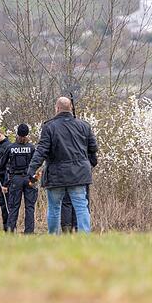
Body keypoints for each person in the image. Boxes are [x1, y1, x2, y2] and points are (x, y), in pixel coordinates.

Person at [26, 97, 98, 234]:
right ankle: (85, 237)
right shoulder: (84, 125)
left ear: (57, 108)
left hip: (56, 174)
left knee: (54, 207)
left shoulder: (49, 127)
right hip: (79, 174)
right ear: (70, 108)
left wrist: (32, 168)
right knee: (82, 206)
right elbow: (93, 148)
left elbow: (42, 150)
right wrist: (90, 164)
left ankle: (54, 236)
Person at [1, 124, 37, 233]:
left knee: (14, 207)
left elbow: (2, 163)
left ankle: (11, 230)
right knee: (30, 207)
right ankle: (29, 232)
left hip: (15, 179)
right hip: (29, 178)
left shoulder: (11, 147)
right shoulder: (31, 148)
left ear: (17, 133)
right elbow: (36, 163)